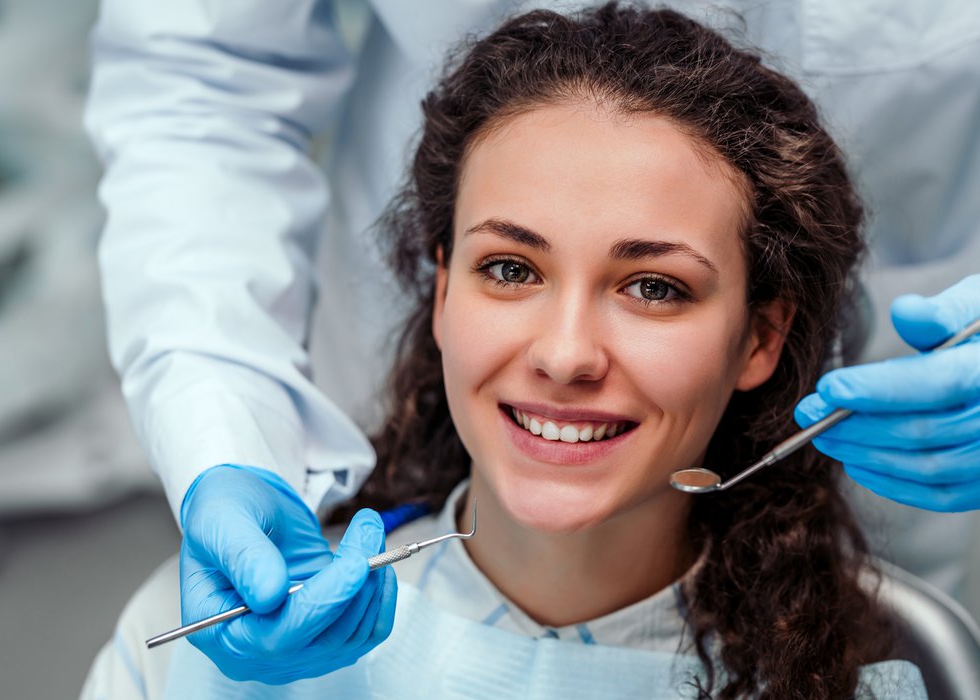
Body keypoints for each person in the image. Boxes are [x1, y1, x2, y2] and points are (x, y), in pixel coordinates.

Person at [84, 0, 980, 685]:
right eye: (511, 269)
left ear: (762, 336)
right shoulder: (176, 652)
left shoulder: (901, 672)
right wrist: (224, 431)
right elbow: (203, 75)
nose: (564, 353)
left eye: (654, 286)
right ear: (438, 287)